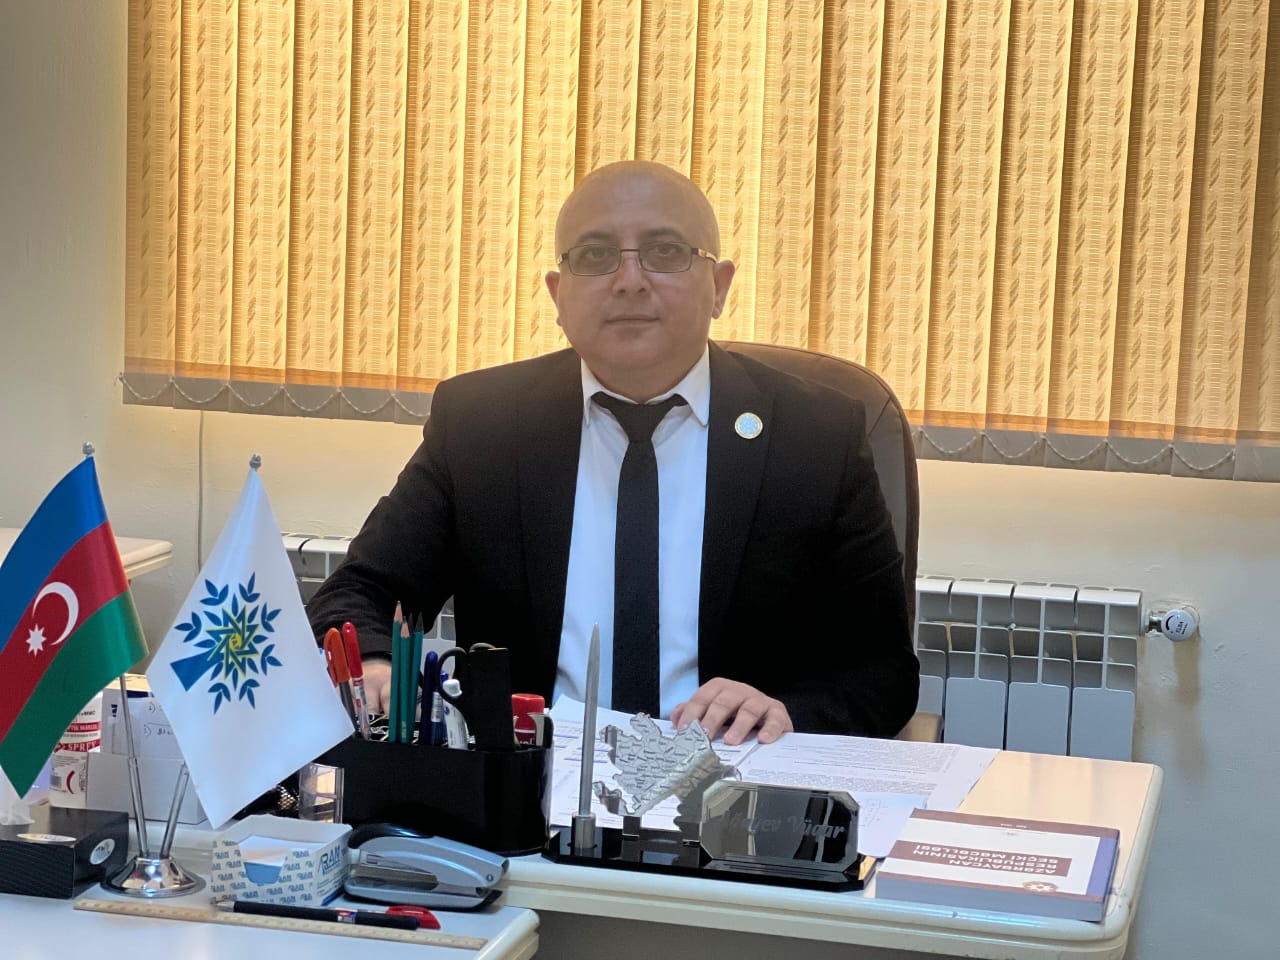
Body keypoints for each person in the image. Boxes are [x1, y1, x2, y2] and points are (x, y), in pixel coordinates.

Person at [307, 160, 918, 745]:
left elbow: (883, 670)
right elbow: (357, 595)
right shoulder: (482, 425)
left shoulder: (816, 436)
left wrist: (784, 713)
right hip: (530, 789)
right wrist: (377, 666)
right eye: (595, 256)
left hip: (729, 781)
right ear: (558, 295)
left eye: (665, 251)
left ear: (719, 286)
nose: (630, 280)